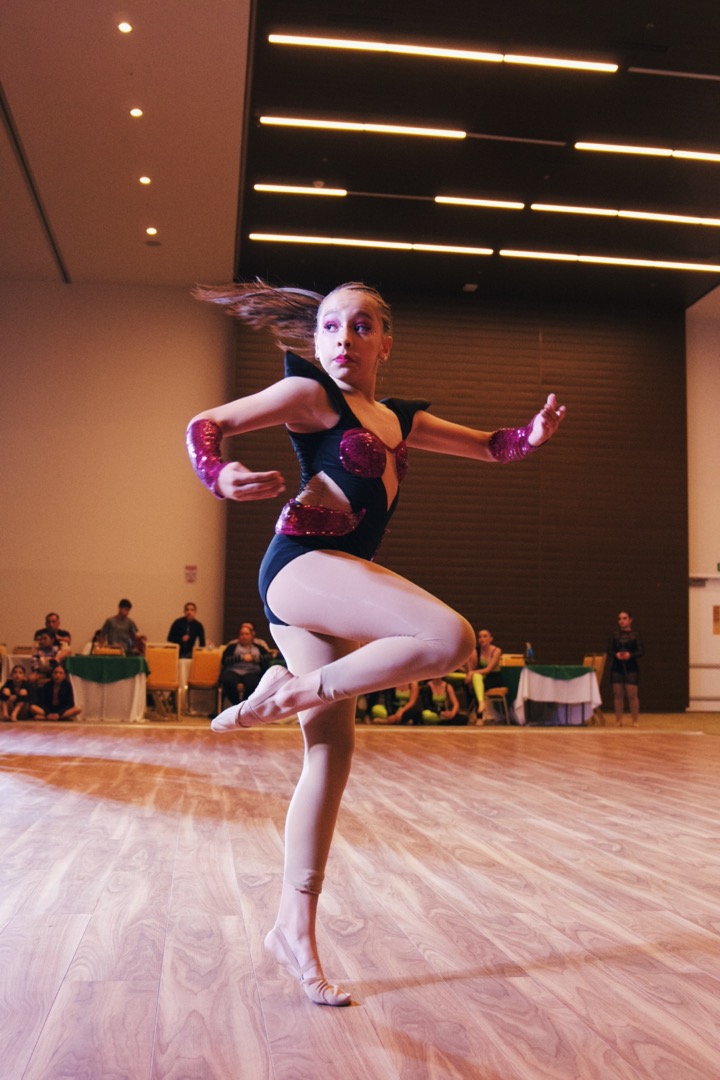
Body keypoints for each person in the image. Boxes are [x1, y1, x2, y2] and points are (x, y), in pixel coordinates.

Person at [185, 278, 566, 1006]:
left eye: (361, 326)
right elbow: (208, 424)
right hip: (300, 568)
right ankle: (288, 690)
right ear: (316, 339)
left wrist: (531, 436)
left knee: (329, 755)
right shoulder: (310, 397)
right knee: (449, 637)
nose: (343, 339)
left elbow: (493, 447)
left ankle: (293, 930)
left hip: (332, 586)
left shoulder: (398, 419)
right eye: (331, 326)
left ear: (385, 342)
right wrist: (219, 473)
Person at [607, 610, 644, 727]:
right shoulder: (614, 635)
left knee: (632, 695)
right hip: (617, 667)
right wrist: (616, 654)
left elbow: (641, 651)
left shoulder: (636, 635)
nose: (621, 621)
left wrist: (630, 655)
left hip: (631, 667)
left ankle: (635, 720)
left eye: (624, 618)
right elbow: (609, 650)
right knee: (618, 695)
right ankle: (618, 720)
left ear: (630, 620)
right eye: (619, 619)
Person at [464, 628, 503, 723]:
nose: (482, 639)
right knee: (473, 681)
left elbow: (488, 669)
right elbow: (471, 669)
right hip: (480, 678)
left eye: (485, 636)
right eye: (479, 637)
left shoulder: (496, 651)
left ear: (490, 639)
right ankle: (481, 705)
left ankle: (479, 717)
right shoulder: (476, 651)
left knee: (476, 682)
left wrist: (471, 674)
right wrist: (467, 661)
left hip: (493, 678)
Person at [219, 625, 264, 706]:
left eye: (247, 634)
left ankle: (245, 705)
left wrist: (254, 658)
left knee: (252, 683)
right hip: (234, 671)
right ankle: (237, 704)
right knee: (228, 680)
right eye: (242, 634)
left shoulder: (259, 648)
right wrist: (241, 658)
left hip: (252, 672)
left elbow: (270, 657)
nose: (244, 636)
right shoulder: (232, 647)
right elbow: (224, 660)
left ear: (252, 636)